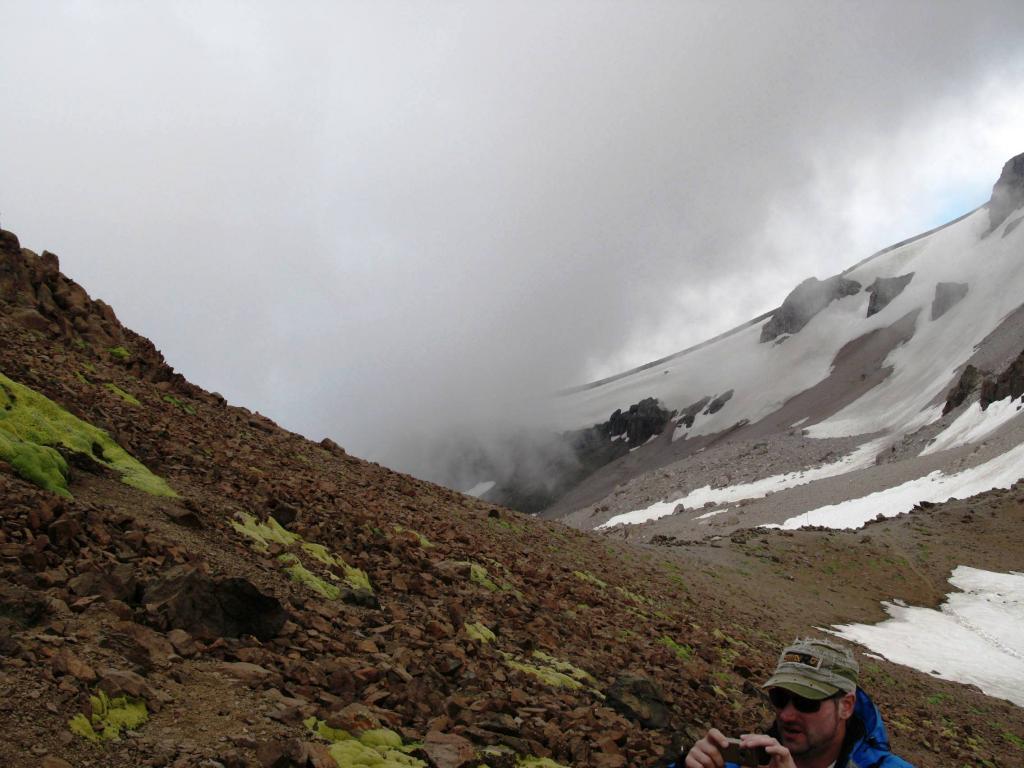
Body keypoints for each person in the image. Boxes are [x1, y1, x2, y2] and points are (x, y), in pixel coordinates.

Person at [676, 637, 913, 768]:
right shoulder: (748, 760)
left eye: (806, 702)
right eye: (779, 699)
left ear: (846, 706)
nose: (787, 715)